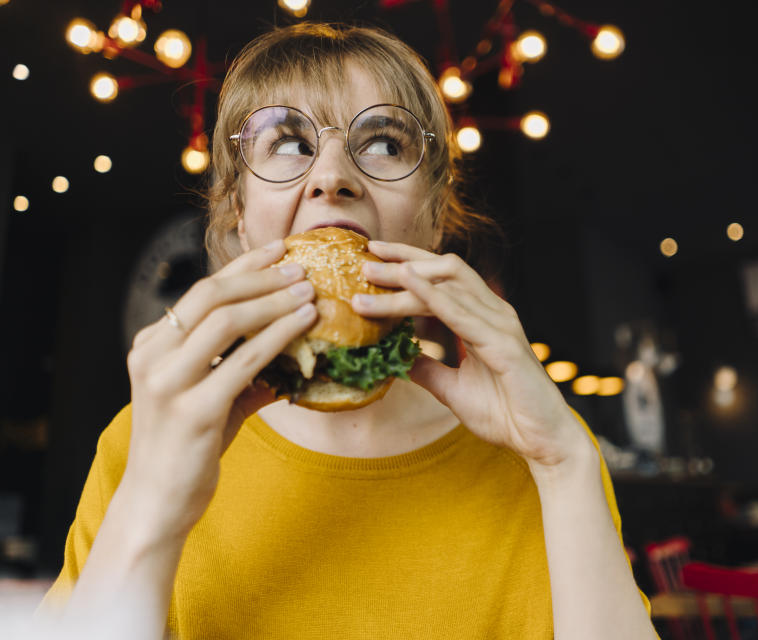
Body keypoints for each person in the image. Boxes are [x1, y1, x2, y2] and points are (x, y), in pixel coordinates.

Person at [38, 22, 657, 640]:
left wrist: (564, 462)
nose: (332, 176)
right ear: (238, 215)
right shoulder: (145, 440)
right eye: (286, 141)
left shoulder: (544, 451)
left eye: (384, 144)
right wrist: (151, 505)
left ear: (434, 217)